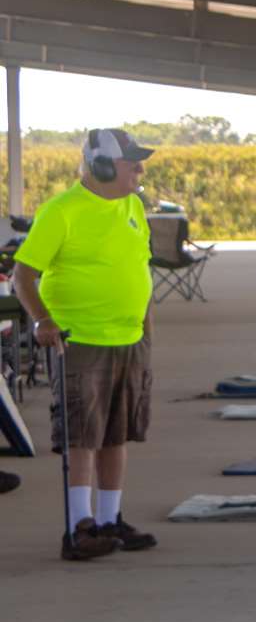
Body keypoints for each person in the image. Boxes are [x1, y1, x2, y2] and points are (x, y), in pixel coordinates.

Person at [12, 129, 165, 560]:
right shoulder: (61, 211)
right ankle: (78, 528)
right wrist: (43, 319)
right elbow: (22, 276)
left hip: (129, 339)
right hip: (80, 340)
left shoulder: (133, 206)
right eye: (131, 162)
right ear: (100, 166)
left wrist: (147, 332)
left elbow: (139, 271)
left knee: (117, 433)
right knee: (83, 436)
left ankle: (109, 519)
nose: (139, 169)